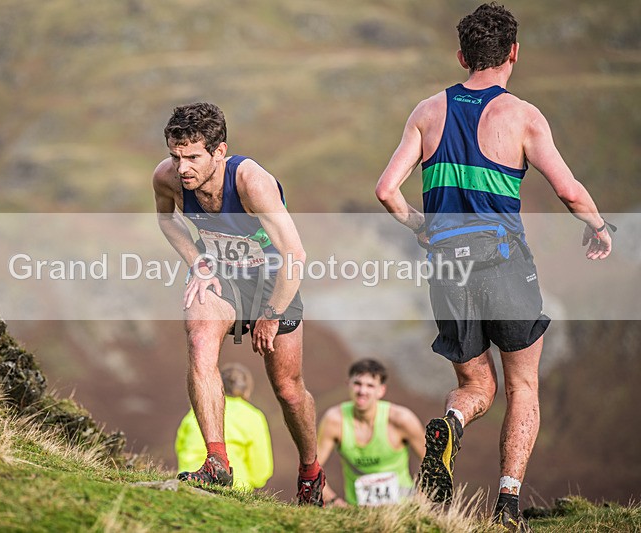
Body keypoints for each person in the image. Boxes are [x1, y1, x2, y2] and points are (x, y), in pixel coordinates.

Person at [375, 3, 613, 529]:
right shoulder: (523, 116)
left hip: (447, 269)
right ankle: (506, 508)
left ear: (462, 55)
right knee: (522, 387)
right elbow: (570, 191)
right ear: (514, 54)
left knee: (476, 388)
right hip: (504, 264)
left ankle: (452, 422)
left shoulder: (427, 111)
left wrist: (422, 227)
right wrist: (598, 227)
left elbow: (386, 191)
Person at [153, 102, 325, 506]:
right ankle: (217, 462)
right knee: (198, 336)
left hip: (274, 282)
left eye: (193, 157)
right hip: (222, 274)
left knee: (287, 388)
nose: (182, 168)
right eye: (176, 156)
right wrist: (198, 265)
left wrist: (271, 315)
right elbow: (166, 220)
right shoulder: (168, 178)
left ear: (219, 152)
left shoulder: (251, 182)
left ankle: (310, 472)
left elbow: (294, 256)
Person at [317, 359, 425, 507]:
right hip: (357, 512)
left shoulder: (401, 419)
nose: (362, 391)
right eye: (357, 384)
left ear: (381, 390)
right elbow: (312, 468)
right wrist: (334, 501)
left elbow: (433, 464)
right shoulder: (334, 420)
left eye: (370, 385)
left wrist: (419, 499)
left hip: (403, 508)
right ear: (348, 384)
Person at [175, 363, 273, 490]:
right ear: (247, 390)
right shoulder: (253, 416)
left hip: (189, 479)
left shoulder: (198, 412)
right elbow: (261, 471)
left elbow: (180, 447)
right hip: (234, 484)